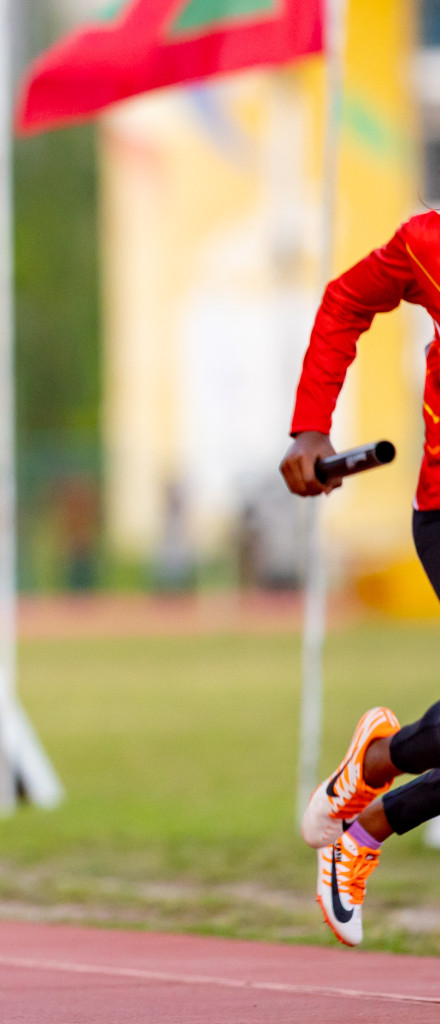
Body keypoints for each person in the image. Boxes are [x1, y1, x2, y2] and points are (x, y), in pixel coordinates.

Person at [281, 209, 440, 946]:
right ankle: (369, 809)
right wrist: (311, 425)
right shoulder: (427, 240)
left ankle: (371, 799)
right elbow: (347, 298)